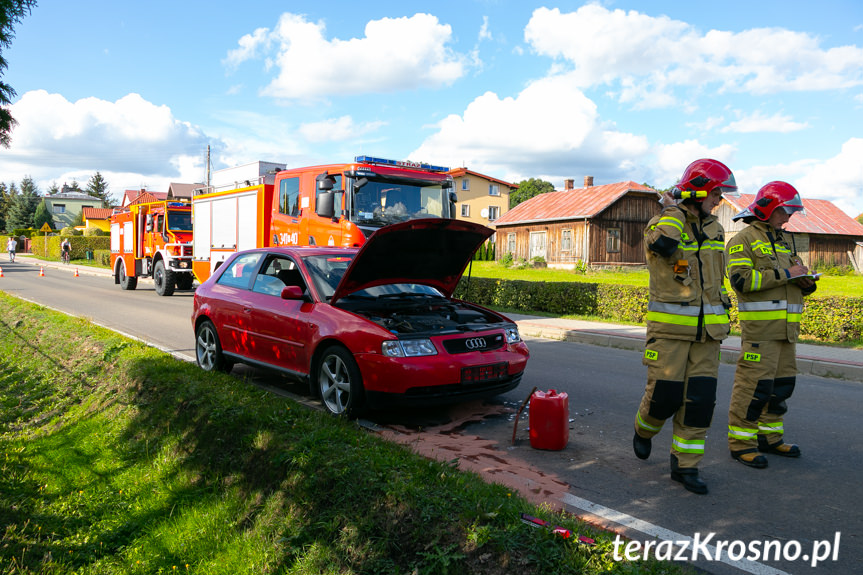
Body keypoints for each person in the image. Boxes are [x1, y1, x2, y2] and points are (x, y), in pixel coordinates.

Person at [632, 158, 737, 495]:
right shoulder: (661, 223)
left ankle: (686, 466)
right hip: (670, 333)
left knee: (700, 402)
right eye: (716, 193)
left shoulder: (716, 230)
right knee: (664, 397)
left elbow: (716, 276)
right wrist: (675, 210)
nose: (719, 200)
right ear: (698, 190)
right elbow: (663, 246)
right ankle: (644, 430)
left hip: (709, 335)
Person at [725, 181, 816, 468]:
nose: (788, 217)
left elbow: (791, 279)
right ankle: (741, 444)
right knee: (754, 389)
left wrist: (805, 282)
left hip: (786, 333)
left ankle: (770, 438)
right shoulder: (743, 241)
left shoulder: (782, 239)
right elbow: (741, 281)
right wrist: (786, 273)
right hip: (760, 334)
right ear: (768, 208)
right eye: (785, 211)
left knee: (780, 389)